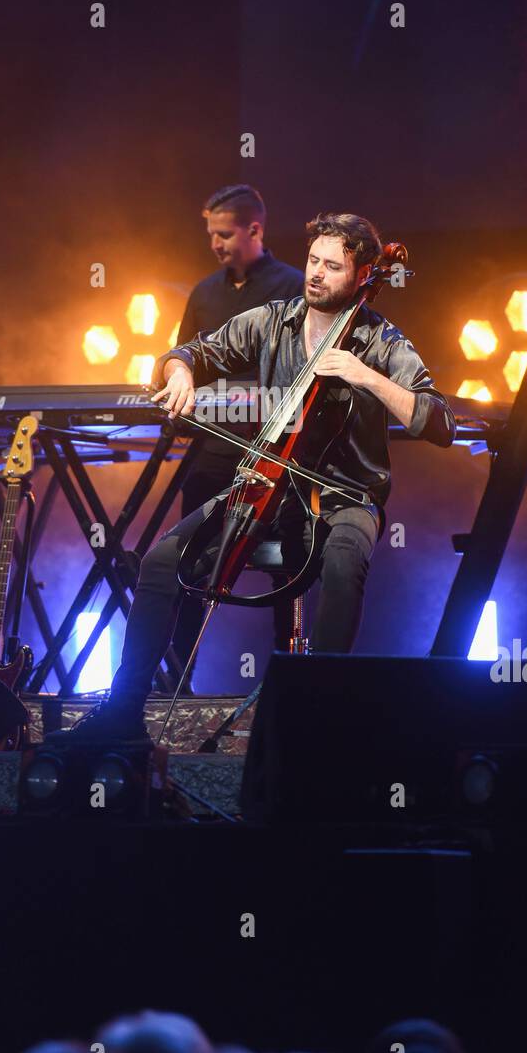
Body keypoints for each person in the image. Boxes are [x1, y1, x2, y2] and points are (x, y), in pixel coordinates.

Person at [84, 212, 455, 740]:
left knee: (346, 560)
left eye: (333, 266)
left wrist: (363, 375)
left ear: (364, 274)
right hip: (264, 485)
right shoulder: (271, 321)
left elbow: (438, 422)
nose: (317, 274)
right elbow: (187, 352)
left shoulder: (382, 342)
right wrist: (182, 374)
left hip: (344, 497)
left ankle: (320, 716)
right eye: (312, 261)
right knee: (163, 560)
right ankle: (122, 714)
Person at [169, 184, 304, 686]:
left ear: (255, 230)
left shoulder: (293, 285)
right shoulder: (204, 292)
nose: (216, 244)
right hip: (212, 453)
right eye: (210, 234)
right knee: (185, 563)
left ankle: (289, 681)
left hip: (273, 454)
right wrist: (178, 378)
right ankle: (176, 682)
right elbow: (183, 356)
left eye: (224, 234)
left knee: (286, 569)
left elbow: (297, 371)